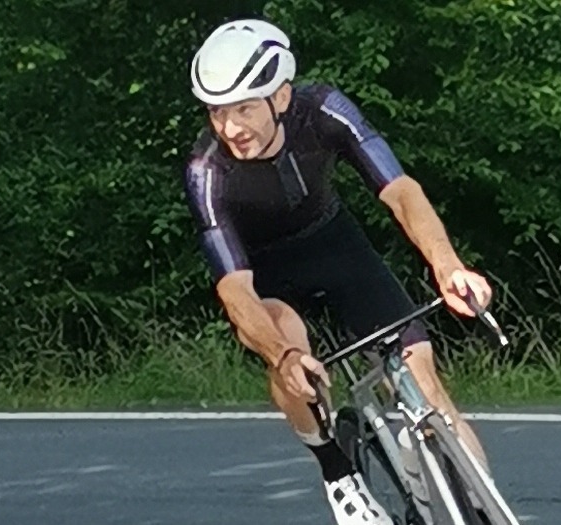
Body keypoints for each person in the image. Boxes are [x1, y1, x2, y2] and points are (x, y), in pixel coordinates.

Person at [182, 17, 494, 525]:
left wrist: (448, 267)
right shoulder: (207, 170)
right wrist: (282, 356)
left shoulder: (324, 110)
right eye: (217, 112)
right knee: (285, 337)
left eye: (243, 108)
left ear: (281, 98)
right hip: (264, 274)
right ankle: (336, 470)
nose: (230, 127)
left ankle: (477, 509)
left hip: (335, 244)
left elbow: (400, 191)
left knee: (423, 377)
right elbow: (234, 288)